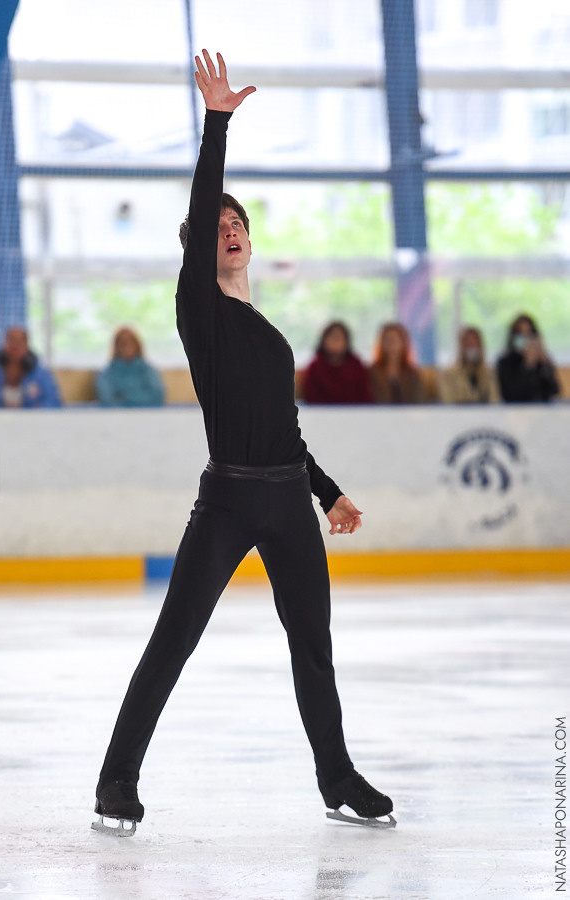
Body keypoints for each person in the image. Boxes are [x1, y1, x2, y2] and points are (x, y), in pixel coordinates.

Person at [95, 51, 394, 835]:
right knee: (173, 644)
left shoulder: (267, 335)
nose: (228, 231)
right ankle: (115, 782)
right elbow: (204, 198)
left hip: (285, 499)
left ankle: (337, 778)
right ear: (198, 251)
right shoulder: (200, 311)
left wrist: (327, 492)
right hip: (227, 497)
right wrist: (216, 123)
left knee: (314, 647)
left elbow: (286, 428)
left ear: (251, 244)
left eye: (237, 225)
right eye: (214, 228)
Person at [0, 326, 62, 408]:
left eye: (20, 341)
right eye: (11, 339)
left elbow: (54, 403)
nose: (15, 345)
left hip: (32, 423)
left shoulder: (41, 373)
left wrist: (28, 412)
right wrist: (1, 411)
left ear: (27, 346)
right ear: (4, 343)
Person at [302, 321, 374, 405]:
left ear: (346, 342)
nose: (335, 342)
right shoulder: (315, 367)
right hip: (322, 414)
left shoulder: (356, 366)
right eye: (332, 338)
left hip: (354, 413)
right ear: (324, 341)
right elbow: (311, 398)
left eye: (339, 338)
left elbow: (365, 396)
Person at [497, 314, 559, 403]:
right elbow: (511, 395)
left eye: (529, 333)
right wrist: (527, 366)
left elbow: (555, 390)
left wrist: (546, 365)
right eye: (521, 334)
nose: (526, 338)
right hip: (516, 413)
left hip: (543, 412)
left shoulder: (541, 362)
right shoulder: (505, 363)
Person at [96, 326, 165, 407]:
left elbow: (157, 397)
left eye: (130, 342)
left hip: (146, 415)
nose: (126, 346)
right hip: (117, 416)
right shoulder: (108, 373)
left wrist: (125, 398)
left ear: (137, 344)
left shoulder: (148, 371)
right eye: (121, 343)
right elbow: (106, 399)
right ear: (115, 346)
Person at [438, 326, 500, 404]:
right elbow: (447, 402)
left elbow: (495, 400)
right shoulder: (448, 375)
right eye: (468, 343)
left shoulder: (489, 374)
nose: (472, 347)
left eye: (475, 343)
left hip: (485, 415)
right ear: (461, 346)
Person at [369, 322, 427, 404]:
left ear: (403, 343)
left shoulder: (413, 373)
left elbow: (419, 401)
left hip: (408, 415)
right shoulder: (372, 372)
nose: (391, 345)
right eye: (387, 340)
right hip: (380, 415)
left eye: (394, 340)